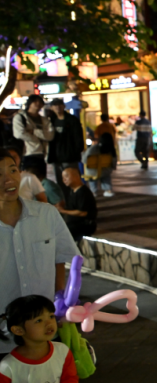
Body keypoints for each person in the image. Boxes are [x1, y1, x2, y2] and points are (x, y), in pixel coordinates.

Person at [0, 150, 79, 356]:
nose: (9, 179)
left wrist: (60, 302)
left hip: (45, 334)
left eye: (13, 170)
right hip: (2, 337)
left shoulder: (47, 214)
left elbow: (60, 259)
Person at [46, 99, 84, 193]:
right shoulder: (51, 121)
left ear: (64, 106)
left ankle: (77, 198)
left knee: (73, 180)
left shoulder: (72, 120)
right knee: (61, 182)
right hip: (57, 157)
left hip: (70, 157)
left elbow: (78, 137)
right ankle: (66, 200)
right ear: (51, 108)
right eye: (55, 105)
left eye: (60, 105)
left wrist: (75, 152)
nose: (58, 107)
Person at [57, 167, 97, 243]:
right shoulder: (72, 190)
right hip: (75, 223)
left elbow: (82, 212)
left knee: (61, 234)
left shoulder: (83, 192)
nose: (64, 180)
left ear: (77, 176)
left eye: (66, 176)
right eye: (63, 177)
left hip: (85, 225)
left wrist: (63, 211)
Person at [12, 95, 53, 166]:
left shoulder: (45, 120)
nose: (38, 103)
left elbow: (50, 136)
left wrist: (34, 132)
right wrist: (39, 138)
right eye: (35, 101)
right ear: (29, 103)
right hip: (28, 153)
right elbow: (19, 134)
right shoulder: (20, 117)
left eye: (40, 102)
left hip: (43, 153)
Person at [83, 133, 116, 197]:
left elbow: (84, 160)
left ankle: (93, 192)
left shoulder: (94, 148)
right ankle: (108, 190)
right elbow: (114, 163)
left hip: (93, 172)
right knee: (106, 175)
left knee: (92, 175)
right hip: (105, 171)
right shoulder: (112, 150)